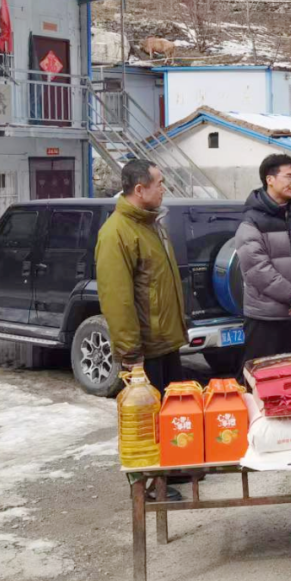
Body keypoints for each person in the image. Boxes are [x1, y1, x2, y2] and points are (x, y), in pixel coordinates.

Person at [96, 159, 187, 501]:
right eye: (159, 183)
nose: (164, 188)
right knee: (144, 422)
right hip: (144, 349)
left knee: (169, 415)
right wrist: (131, 355)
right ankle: (148, 485)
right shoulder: (117, 233)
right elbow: (117, 300)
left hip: (165, 340)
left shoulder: (151, 225)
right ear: (139, 189)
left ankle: (173, 470)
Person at [235, 154, 291, 368]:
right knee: (262, 376)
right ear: (270, 179)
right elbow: (258, 269)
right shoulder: (252, 220)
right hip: (265, 318)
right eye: (288, 176)